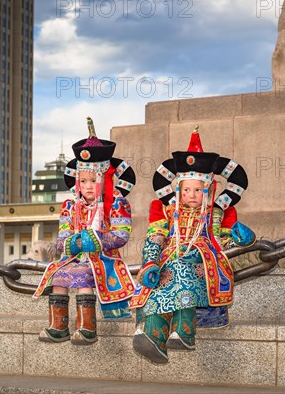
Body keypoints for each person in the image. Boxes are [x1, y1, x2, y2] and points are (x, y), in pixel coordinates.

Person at [130, 126, 253, 364]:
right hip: (169, 257)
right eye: (187, 190)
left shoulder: (217, 213)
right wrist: (150, 262)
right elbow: (155, 236)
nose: (193, 195)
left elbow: (224, 242)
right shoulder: (165, 210)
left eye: (198, 189)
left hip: (205, 260)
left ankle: (184, 331)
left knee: (182, 271)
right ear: (179, 190)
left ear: (209, 190)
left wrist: (241, 237)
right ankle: (153, 336)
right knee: (158, 280)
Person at [33, 117, 136, 345]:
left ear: (104, 180)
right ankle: (58, 326)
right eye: (84, 181)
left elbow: (122, 235)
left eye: (94, 180)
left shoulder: (116, 203)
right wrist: (72, 243)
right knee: (58, 276)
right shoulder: (70, 206)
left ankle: (87, 327)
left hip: (104, 259)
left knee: (82, 278)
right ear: (77, 181)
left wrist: (96, 239)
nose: (88, 186)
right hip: (74, 257)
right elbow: (61, 238)